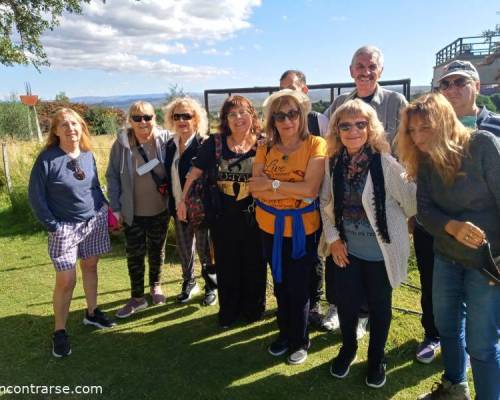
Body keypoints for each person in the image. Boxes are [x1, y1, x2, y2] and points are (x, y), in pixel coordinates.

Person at [397, 93, 500, 400]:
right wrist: (452, 228)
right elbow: (425, 211)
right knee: (448, 328)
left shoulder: (481, 145)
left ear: (443, 122)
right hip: (446, 257)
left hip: (487, 263)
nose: (417, 138)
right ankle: (454, 387)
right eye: (412, 132)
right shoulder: (425, 160)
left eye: (424, 128)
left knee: (482, 343)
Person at [320, 99, 416, 387]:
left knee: (379, 307)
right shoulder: (333, 162)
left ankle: (377, 358)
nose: (353, 130)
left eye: (360, 124)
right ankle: (348, 348)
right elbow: (325, 203)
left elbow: (411, 203)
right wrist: (334, 240)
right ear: (337, 130)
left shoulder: (385, 164)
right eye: (345, 125)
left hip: (380, 254)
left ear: (370, 127)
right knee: (347, 305)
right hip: (347, 251)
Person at [322, 45, 408, 334]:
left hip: (385, 193)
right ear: (351, 71)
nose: (366, 71)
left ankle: (373, 319)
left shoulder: (396, 102)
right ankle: (353, 315)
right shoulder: (339, 105)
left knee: (378, 265)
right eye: (360, 66)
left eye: (372, 66)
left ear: (380, 70)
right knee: (349, 259)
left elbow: (407, 147)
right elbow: (329, 144)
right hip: (348, 187)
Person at [28, 108, 114, 358]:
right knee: (66, 280)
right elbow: (36, 197)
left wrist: (104, 208)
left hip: (93, 222)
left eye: (74, 124)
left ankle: (91, 313)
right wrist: (52, 225)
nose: (71, 129)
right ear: (55, 131)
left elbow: (94, 186)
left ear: (82, 127)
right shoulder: (47, 159)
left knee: (90, 268)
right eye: (64, 125)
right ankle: (60, 331)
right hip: (63, 227)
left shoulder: (87, 154)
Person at [250, 89, 327, 365]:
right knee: (280, 284)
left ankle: (300, 339)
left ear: (302, 115)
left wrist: (273, 185)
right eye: (280, 115)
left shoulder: (316, 144)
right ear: (273, 119)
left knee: (299, 286)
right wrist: (288, 190)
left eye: (292, 113)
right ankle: (284, 334)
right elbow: (255, 189)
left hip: (301, 230)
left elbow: (310, 189)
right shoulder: (264, 147)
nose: (287, 120)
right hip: (269, 228)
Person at [177, 95, 267, 328]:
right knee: (227, 264)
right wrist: (182, 200)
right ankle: (229, 311)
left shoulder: (264, 143)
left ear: (252, 115)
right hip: (222, 216)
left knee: (255, 263)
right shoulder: (215, 143)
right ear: (226, 119)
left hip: (257, 216)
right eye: (232, 114)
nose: (238, 118)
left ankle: (253, 310)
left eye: (243, 112)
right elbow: (194, 173)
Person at [106, 101, 170, 318]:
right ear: (130, 120)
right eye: (137, 118)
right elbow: (112, 176)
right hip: (131, 212)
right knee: (134, 254)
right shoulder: (121, 145)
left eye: (147, 117)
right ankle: (137, 297)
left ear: (155, 118)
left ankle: (156, 286)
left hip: (161, 209)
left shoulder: (165, 140)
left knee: (157, 251)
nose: (143, 122)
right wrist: (115, 207)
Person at [279, 69, 328, 328]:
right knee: (292, 256)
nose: (288, 93)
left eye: (293, 87)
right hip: (287, 205)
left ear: (305, 90)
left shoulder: (320, 121)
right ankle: (293, 304)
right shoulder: (278, 124)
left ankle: (314, 304)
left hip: (317, 202)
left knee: (316, 255)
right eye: (283, 89)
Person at [163, 97, 217, 306]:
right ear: (171, 119)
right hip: (177, 206)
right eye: (177, 116)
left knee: (205, 251)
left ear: (196, 119)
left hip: (200, 208)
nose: (182, 120)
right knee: (185, 249)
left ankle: (211, 287)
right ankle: (189, 282)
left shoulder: (204, 144)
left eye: (187, 115)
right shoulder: (170, 145)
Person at [437, 60, 500, 136]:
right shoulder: (434, 128)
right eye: (445, 84)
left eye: (460, 82)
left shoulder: (497, 124)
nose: (451, 90)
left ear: (477, 87)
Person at [279, 70, 329, 137]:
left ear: (304, 91)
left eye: (291, 89)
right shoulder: (277, 121)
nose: (285, 94)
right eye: (282, 90)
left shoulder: (319, 121)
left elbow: (331, 146)